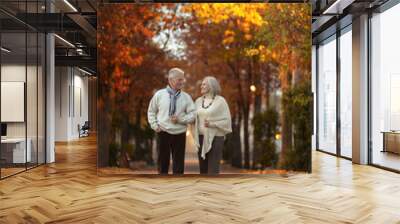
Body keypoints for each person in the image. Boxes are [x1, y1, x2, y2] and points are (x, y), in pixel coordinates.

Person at [147, 68, 195, 175]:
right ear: (170, 80)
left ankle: (177, 187)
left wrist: (180, 119)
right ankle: (163, 186)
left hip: (180, 133)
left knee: (178, 165)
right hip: (163, 132)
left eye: (183, 80)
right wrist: (155, 126)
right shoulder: (159, 95)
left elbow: (193, 115)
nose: (182, 82)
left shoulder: (186, 97)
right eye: (179, 79)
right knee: (162, 163)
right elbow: (151, 111)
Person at [192, 76, 232, 175]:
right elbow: (192, 117)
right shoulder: (198, 101)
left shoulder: (221, 101)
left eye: (204, 84)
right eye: (201, 84)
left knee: (213, 170)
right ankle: (204, 190)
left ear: (211, 85)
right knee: (203, 169)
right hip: (201, 138)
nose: (201, 86)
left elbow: (227, 121)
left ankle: (213, 189)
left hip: (216, 138)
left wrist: (212, 124)